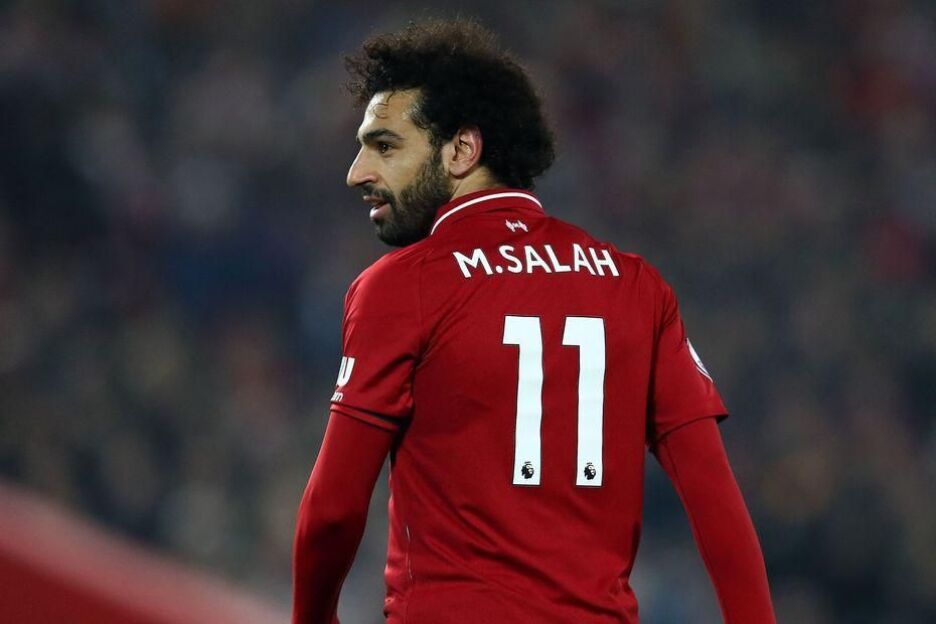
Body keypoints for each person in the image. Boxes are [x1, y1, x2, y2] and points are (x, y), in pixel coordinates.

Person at [293, 18, 776, 624]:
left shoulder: (401, 286)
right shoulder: (636, 286)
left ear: (462, 150)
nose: (357, 171)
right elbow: (715, 500)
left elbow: (334, 511)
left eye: (385, 146)